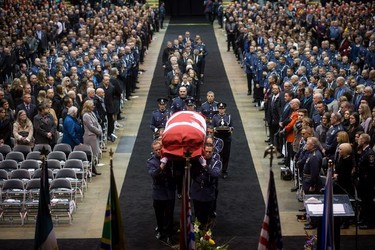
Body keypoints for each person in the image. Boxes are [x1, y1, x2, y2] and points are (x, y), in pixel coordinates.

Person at [147, 141, 175, 243]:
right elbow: (154, 174)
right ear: (153, 151)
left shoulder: (169, 159)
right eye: (156, 150)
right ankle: (161, 231)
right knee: (159, 215)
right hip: (158, 193)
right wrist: (162, 166)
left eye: (160, 149)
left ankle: (169, 234)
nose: (158, 151)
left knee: (169, 215)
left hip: (169, 192)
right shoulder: (151, 162)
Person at [190, 144, 221, 230]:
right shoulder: (197, 161)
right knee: (197, 214)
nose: (207, 153)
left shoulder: (216, 162)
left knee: (207, 215)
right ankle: (197, 232)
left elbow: (215, 174)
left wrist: (206, 166)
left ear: (213, 152)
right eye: (206, 151)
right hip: (197, 191)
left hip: (208, 193)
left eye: (209, 152)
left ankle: (205, 235)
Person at [356, 133, 375, 229]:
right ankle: (364, 219)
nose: (358, 140)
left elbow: (371, 169)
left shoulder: (369, 153)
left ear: (363, 141)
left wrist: (366, 180)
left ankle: (369, 222)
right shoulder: (363, 151)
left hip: (368, 182)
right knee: (364, 202)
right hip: (363, 181)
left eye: (359, 139)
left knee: (368, 202)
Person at [212, 102, 233, 179]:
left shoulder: (229, 117)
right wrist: (214, 129)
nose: (221, 110)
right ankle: (217, 169)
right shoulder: (215, 117)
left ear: (225, 109)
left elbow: (232, 126)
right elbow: (212, 126)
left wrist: (230, 129)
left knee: (226, 155)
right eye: (220, 109)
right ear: (218, 109)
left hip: (227, 138)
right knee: (218, 154)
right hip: (218, 139)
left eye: (222, 109)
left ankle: (224, 171)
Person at [82, 100, 102, 176]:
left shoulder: (92, 113)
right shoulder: (86, 115)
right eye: (92, 105)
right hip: (89, 137)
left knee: (94, 154)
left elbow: (96, 123)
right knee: (91, 154)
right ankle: (90, 171)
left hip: (94, 135)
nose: (93, 106)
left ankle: (93, 170)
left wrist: (99, 129)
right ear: (88, 106)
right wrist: (99, 131)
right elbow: (90, 126)